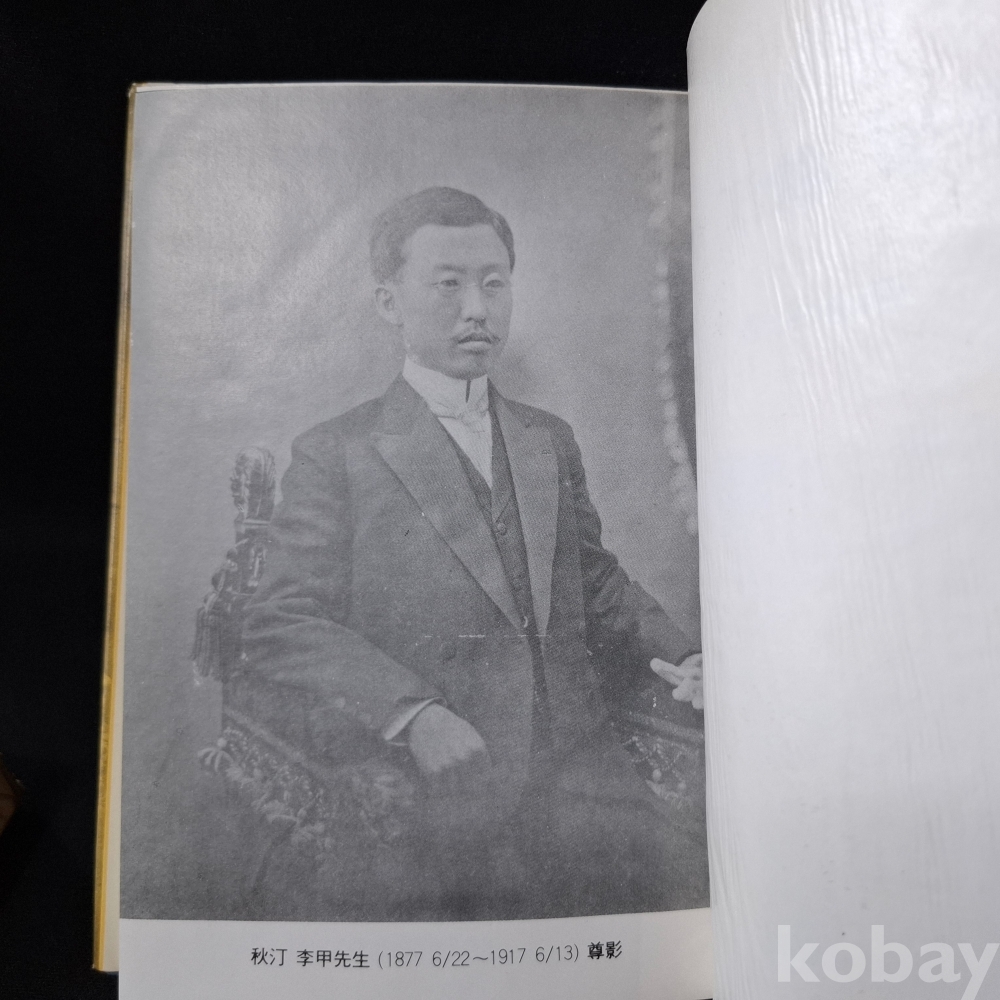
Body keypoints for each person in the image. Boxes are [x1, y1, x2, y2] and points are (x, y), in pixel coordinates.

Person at [242, 186, 704, 921]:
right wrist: (414, 715)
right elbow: (282, 619)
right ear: (389, 302)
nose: (477, 310)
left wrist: (686, 657)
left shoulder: (547, 438)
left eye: (494, 283)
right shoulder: (338, 452)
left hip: (584, 771)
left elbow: (595, 581)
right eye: (448, 285)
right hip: (439, 783)